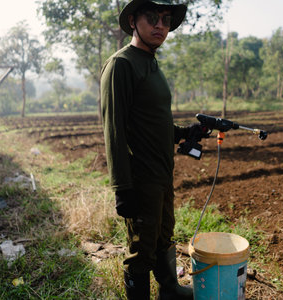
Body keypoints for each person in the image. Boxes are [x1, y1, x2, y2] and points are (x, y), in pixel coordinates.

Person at [101, 0, 201, 299]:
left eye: (166, 20)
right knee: (141, 249)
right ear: (133, 21)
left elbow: (151, 120)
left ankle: (169, 290)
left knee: (162, 236)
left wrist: (183, 133)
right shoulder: (122, 64)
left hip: (161, 174)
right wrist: (122, 187)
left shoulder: (151, 63)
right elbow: (114, 130)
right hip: (140, 177)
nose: (160, 25)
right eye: (152, 17)